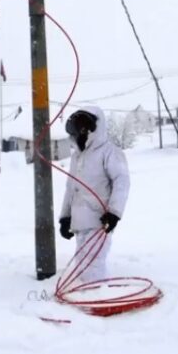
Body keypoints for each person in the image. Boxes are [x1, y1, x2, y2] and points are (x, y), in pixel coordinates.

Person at [57, 106, 130, 283]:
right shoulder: (77, 157)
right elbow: (71, 188)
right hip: (79, 222)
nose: (81, 132)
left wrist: (114, 213)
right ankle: (87, 298)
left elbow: (122, 182)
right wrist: (65, 217)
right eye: (78, 128)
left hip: (99, 221)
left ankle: (97, 299)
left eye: (85, 127)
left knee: (93, 267)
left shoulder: (109, 152)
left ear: (95, 127)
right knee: (82, 265)